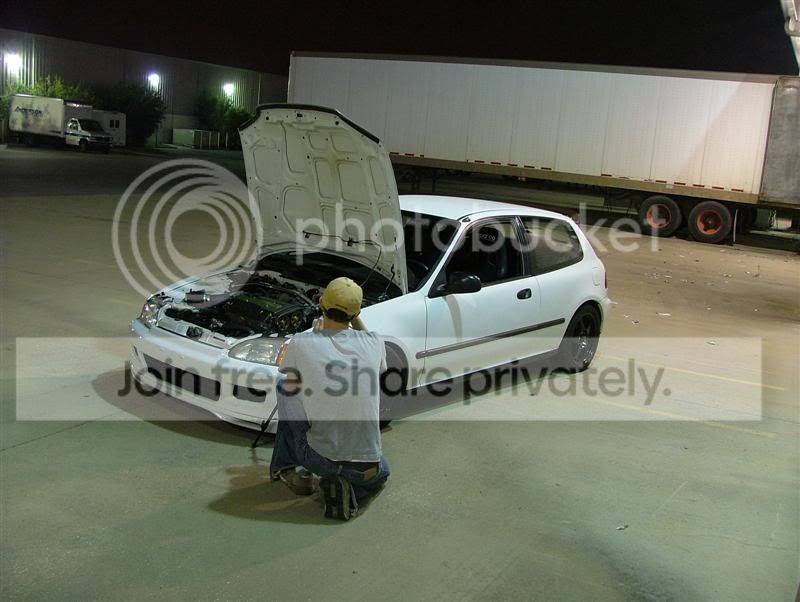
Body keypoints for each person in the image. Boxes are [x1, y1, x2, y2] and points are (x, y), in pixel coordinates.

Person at [269, 276, 390, 520]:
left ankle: (285, 467)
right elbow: (379, 364)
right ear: (356, 313)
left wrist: (316, 340)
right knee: (383, 472)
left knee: (285, 387)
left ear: (321, 303)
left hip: (319, 459)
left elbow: (286, 372)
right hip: (369, 465)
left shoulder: (302, 343)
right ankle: (350, 489)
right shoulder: (375, 342)